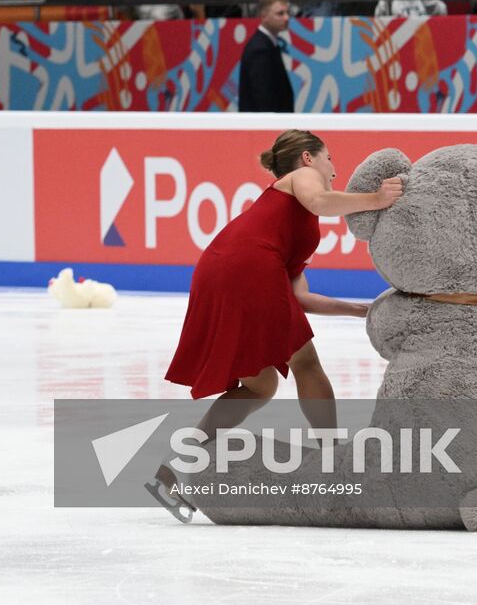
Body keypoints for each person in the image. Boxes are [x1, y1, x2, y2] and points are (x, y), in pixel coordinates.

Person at [152, 130, 402, 523]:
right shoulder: (302, 180)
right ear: (307, 158)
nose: (334, 171)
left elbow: (297, 297)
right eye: (329, 159)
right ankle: (335, 459)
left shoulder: (288, 218)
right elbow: (320, 200)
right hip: (247, 266)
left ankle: (174, 466)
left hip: (224, 267)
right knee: (305, 364)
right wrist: (377, 200)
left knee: (260, 386)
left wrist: (358, 310)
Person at [237, 0, 295, 112]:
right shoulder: (260, 48)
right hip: (264, 122)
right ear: (264, 17)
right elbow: (263, 95)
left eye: (287, 13)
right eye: (280, 14)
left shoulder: (268, 43)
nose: (286, 18)